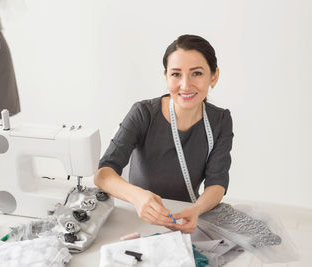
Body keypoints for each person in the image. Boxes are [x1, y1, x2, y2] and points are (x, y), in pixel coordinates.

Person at [94, 34, 233, 234]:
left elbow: (217, 183)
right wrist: (138, 197)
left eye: (197, 73)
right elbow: (103, 174)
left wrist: (196, 209)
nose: (185, 85)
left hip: (185, 217)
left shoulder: (220, 121)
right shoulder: (143, 113)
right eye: (176, 74)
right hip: (138, 216)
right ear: (166, 77)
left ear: (214, 76)